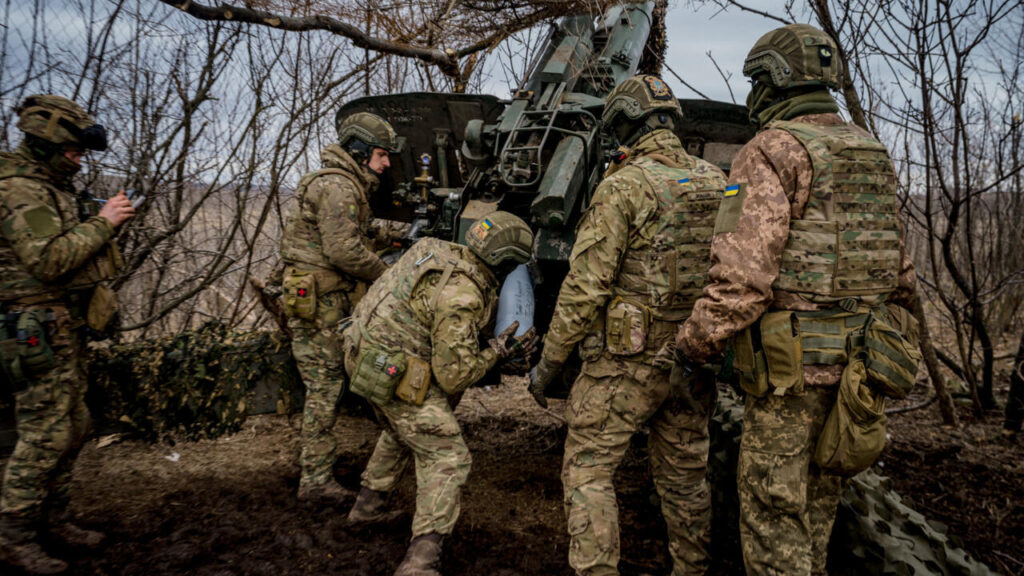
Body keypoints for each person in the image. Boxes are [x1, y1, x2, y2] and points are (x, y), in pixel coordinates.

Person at [673, 24, 917, 576]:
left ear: (774, 82)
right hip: (859, 368)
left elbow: (741, 284)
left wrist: (693, 343)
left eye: (756, 80)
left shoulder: (771, 150)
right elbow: (900, 274)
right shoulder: (869, 149)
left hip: (790, 378)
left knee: (773, 515)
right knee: (818, 507)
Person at [528, 75, 727, 575]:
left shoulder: (624, 186)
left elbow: (584, 289)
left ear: (623, 125)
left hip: (626, 364)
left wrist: (549, 363)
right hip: (691, 359)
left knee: (588, 471)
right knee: (685, 478)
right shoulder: (716, 181)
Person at [343, 211, 538, 576]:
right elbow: (454, 376)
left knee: (405, 426)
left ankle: (367, 508)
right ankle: (421, 558)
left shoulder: (435, 249)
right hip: (390, 368)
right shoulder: (463, 293)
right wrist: (496, 351)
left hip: (362, 351)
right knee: (448, 454)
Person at [0, 95, 134, 574]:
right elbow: (48, 259)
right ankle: (13, 533)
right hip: (32, 328)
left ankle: (53, 520)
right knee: (44, 433)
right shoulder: (18, 189)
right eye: (74, 151)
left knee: (73, 426)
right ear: (45, 144)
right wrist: (103, 224)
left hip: (59, 325)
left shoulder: (48, 186)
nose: (79, 159)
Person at [280, 111, 399, 503]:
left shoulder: (337, 184)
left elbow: (350, 234)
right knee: (325, 386)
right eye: (381, 155)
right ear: (359, 151)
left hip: (321, 299)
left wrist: (388, 237)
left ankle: (320, 472)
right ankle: (315, 481)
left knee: (330, 382)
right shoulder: (339, 187)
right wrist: (386, 274)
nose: (385, 164)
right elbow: (343, 250)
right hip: (322, 305)